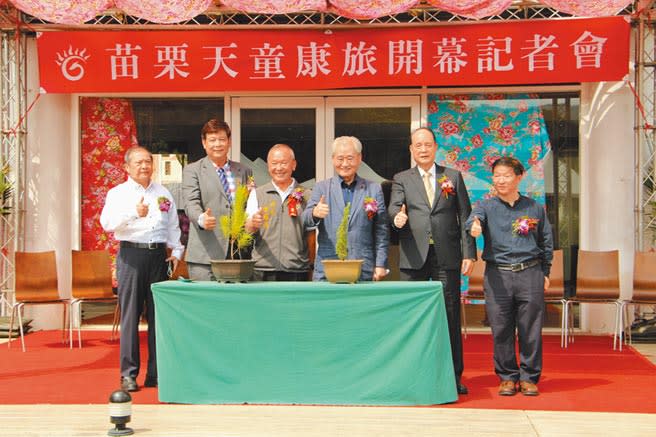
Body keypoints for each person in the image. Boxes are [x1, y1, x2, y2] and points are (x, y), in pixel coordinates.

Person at [388, 127, 476, 396]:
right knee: (411, 316)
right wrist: (397, 218)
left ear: (435, 147)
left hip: (446, 256)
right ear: (411, 150)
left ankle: (453, 375)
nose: (423, 149)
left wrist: (469, 253)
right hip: (414, 255)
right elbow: (395, 206)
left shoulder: (452, 176)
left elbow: (466, 216)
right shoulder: (402, 178)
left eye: (427, 144)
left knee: (449, 315)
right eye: (418, 145)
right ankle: (412, 374)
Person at [466, 156, 553, 397]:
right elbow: (474, 221)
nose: (500, 180)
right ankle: (506, 377)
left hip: (530, 273)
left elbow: (546, 241)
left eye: (506, 175)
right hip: (498, 275)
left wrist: (546, 272)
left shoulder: (533, 208)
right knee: (501, 328)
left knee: (530, 329)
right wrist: (474, 226)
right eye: (496, 176)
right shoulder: (486, 206)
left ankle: (528, 377)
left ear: (519, 177)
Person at [100, 146, 184, 392]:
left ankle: (156, 373)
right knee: (130, 316)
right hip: (131, 255)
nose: (144, 166)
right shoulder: (118, 193)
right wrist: (133, 214)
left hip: (157, 255)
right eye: (138, 162)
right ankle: (128, 374)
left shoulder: (163, 192)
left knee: (158, 317)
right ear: (127, 167)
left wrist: (176, 251)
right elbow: (107, 223)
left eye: (148, 161)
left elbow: (173, 226)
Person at [302, 136, 389, 281]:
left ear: (359, 158)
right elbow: (305, 220)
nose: (345, 163)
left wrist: (380, 263)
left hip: (363, 266)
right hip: (328, 266)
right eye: (340, 158)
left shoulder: (373, 189)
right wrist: (314, 213)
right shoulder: (322, 187)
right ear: (333, 159)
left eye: (350, 158)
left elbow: (381, 230)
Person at [182, 119, 253, 280]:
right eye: (212, 140)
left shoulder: (244, 170)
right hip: (205, 254)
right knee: (203, 303)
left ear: (229, 142)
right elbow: (190, 203)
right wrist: (201, 219)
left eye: (222, 139)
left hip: (237, 254)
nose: (217, 144)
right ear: (204, 143)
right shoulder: (193, 170)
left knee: (233, 303)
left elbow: (249, 206)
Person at [245, 144, 312, 281]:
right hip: (262, 269)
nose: (279, 168)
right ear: (268, 166)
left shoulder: (307, 195)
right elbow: (247, 230)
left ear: (293, 165)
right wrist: (253, 224)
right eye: (274, 163)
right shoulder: (257, 194)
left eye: (283, 163)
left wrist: (311, 266)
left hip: (297, 270)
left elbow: (312, 236)